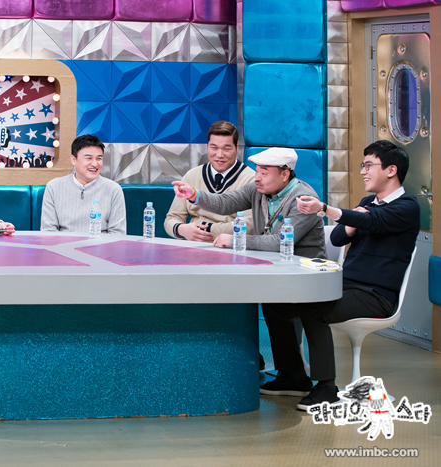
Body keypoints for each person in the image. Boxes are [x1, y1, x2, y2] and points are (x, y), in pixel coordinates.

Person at [259, 141, 419, 410]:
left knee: (314, 308)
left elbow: (372, 221)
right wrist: (353, 221)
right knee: (277, 303)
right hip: (346, 287)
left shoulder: (408, 206)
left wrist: (325, 209)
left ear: (391, 170)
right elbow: (337, 237)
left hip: (376, 296)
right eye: (362, 165)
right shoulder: (367, 203)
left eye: (369, 165)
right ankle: (293, 375)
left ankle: (326, 387)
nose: (363, 171)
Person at [172, 147, 326, 258]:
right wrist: (194, 195)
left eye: (264, 173)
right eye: (257, 171)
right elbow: (225, 203)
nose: (257, 178)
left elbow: (279, 242)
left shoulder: (305, 199)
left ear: (285, 175)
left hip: (304, 270)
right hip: (272, 265)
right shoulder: (256, 189)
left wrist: (235, 239)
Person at [165, 121, 256, 241]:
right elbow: (172, 218)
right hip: (192, 246)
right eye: (214, 148)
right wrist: (182, 229)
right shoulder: (192, 175)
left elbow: (250, 226)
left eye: (227, 148)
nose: (220, 154)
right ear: (207, 147)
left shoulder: (252, 179)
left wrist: (205, 230)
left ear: (237, 148)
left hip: (230, 247)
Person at [41, 134, 126, 234]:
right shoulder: (54, 187)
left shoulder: (114, 189)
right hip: (64, 243)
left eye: (99, 158)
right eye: (88, 158)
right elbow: (48, 231)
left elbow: (117, 234)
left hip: (101, 244)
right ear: (74, 160)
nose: (95, 164)